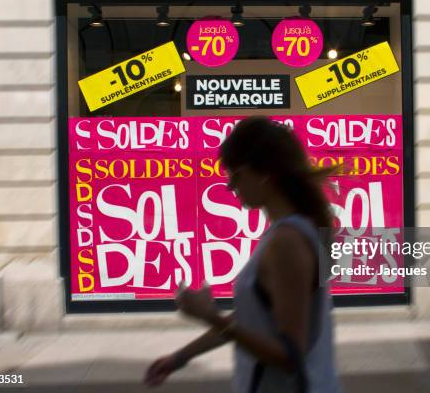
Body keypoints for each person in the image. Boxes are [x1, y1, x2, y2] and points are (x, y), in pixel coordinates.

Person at [144, 116, 342, 392]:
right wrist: (181, 357)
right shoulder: (290, 232)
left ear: (263, 173)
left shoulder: (287, 242)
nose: (229, 186)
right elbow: (251, 318)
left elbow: (289, 356)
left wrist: (209, 315)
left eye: (235, 174)